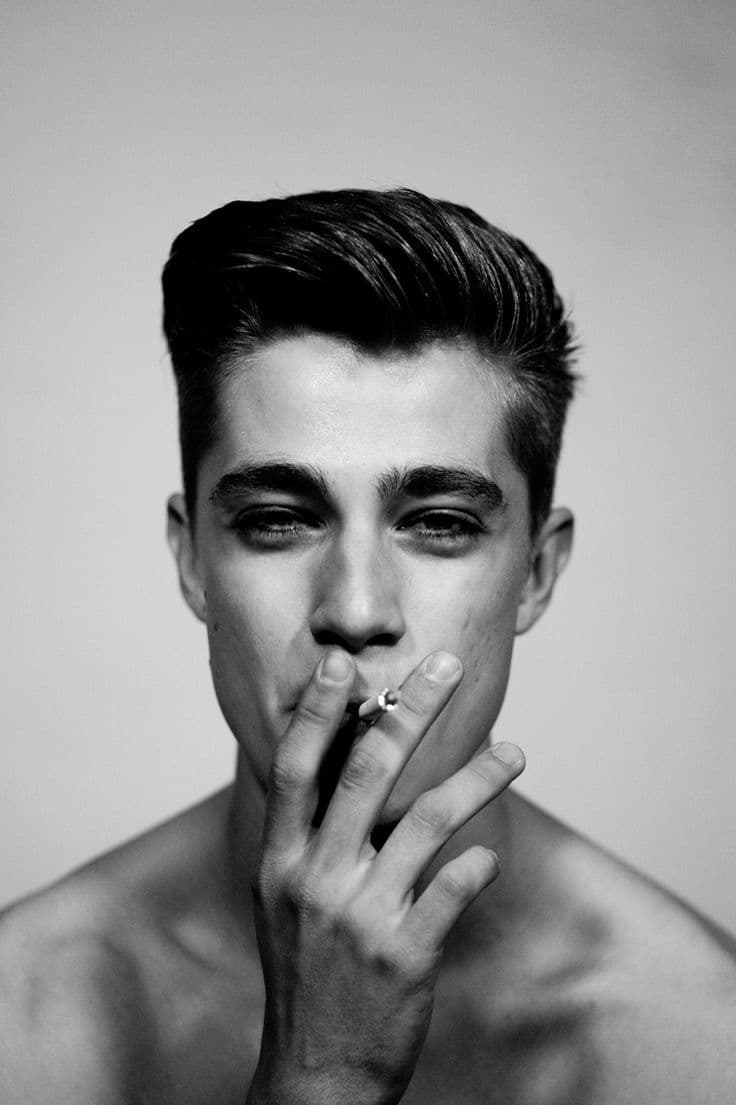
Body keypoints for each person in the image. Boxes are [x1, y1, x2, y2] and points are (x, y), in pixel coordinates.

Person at [1, 188, 734, 1105]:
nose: (354, 609)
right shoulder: (22, 1020)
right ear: (192, 560)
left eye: (439, 522)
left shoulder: (704, 1043)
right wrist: (320, 1080)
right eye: (277, 519)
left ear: (538, 572)